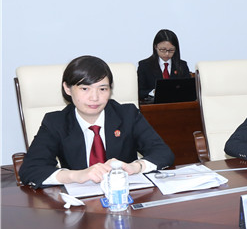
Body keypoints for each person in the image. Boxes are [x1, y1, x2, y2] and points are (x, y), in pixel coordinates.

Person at [19, 56, 174, 189]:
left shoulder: (127, 115)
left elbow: (163, 153)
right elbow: (30, 170)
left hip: (123, 198)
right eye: (85, 89)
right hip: (80, 205)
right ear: (67, 88)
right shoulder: (56, 122)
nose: (95, 98)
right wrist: (76, 175)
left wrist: (135, 167)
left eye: (102, 89)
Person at [137, 29, 191, 100]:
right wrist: (153, 92)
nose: (167, 54)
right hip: (154, 105)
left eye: (171, 50)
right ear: (155, 47)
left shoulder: (182, 65)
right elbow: (140, 92)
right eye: (163, 50)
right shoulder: (144, 66)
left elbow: (189, 90)